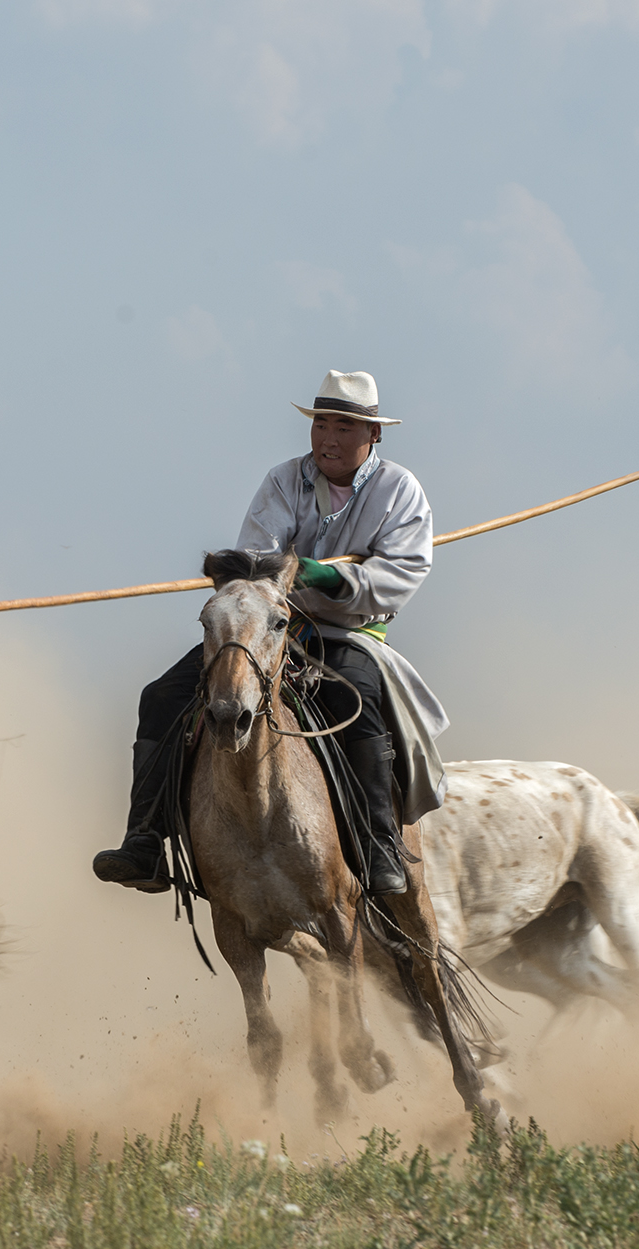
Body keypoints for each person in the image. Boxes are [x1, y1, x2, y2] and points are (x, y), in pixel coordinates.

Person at [92, 370, 447, 896]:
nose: (328, 437)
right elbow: (255, 556)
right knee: (162, 696)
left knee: (360, 699)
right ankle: (145, 839)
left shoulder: (400, 491)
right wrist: (266, 573)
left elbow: (403, 573)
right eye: (321, 424)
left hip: (351, 635)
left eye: (344, 427)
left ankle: (378, 847)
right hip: (273, 629)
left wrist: (332, 575)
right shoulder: (283, 481)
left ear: (373, 435)